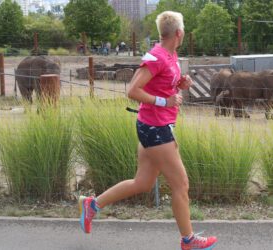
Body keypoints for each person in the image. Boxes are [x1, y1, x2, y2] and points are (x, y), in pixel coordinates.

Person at [78, 11, 218, 250]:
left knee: (142, 182)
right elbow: (133, 90)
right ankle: (188, 240)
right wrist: (165, 102)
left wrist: (179, 85)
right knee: (181, 185)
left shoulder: (170, 55)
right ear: (179, 33)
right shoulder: (157, 57)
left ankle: (92, 205)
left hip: (155, 124)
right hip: (156, 128)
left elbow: (162, 84)